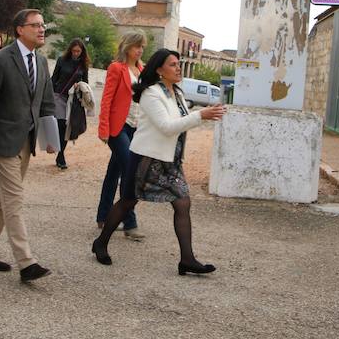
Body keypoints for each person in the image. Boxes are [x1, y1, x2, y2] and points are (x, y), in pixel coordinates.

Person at [91, 49, 226, 274]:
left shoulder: (177, 93)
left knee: (183, 203)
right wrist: (201, 116)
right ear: (159, 70)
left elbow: (181, 121)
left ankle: (187, 259)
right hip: (146, 158)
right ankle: (101, 243)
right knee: (127, 202)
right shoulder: (151, 94)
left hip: (169, 161)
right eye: (172, 64)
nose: (178, 68)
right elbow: (166, 127)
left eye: (178, 63)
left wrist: (203, 115)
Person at [0, 9, 55, 283]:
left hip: (26, 142)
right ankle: (26, 261)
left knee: (2, 200)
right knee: (14, 199)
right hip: (2, 141)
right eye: (36, 25)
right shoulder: (1, 60)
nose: (41, 30)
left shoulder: (42, 62)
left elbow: (45, 103)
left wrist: (51, 139)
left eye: (43, 26)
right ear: (20, 29)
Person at [96, 32, 146, 239]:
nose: (140, 50)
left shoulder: (142, 70)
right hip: (119, 128)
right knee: (130, 170)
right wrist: (103, 129)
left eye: (142, 46)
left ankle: (103, 216)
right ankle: (129, 222)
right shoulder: (116, 68)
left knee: (114, 172)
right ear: (127, 46)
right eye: (137, 46)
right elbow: (107, 99)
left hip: (137, 127)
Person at [50, 38, 90, 170]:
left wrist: (80, 85)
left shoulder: (83, 65)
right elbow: (54, 78)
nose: (76, 53)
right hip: (59, 96)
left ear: (82, 51)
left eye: (78, 51)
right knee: (61, 125)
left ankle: (60, 155)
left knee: (68, 128)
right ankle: (60, 155)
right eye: (74, 51)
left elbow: (86, 83)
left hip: (73, 100)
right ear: (70, 50)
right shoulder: (62, 60)